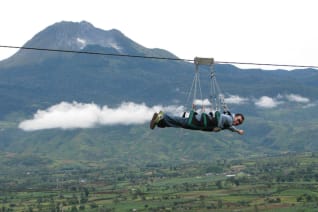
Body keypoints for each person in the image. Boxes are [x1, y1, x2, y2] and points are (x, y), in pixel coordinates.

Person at [150, 110, 245, 135]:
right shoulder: (229, 119)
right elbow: (220, 117)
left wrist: (237, 131)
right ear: (235, 116)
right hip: (200, 122)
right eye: (238, 120)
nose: (237, 122)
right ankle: (162, 116)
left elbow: (230, 128)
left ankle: (160, 122)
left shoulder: (229, 122)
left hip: (201, 123)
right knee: (182, 122)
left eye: (239, 123)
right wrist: (218, 127)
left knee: (181, 124)